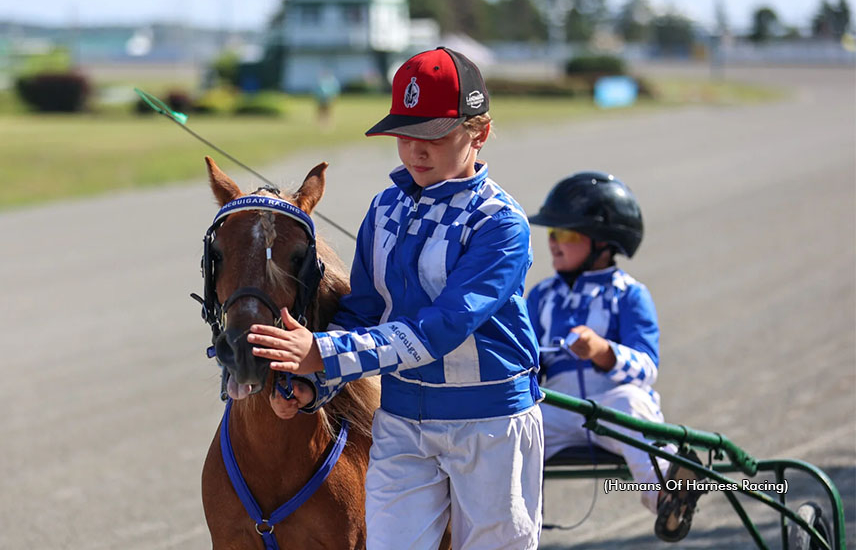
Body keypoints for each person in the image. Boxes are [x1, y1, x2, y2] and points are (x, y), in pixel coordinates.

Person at [247, 47, 545, 550]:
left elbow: (443, 328)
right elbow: (362, 311)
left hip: (491, 426)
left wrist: (322, 353)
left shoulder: (501, 224)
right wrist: (311, 382)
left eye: (434, 135)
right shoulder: (384, 208)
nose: (415, 151)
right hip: (402, 421)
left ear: (479, 132)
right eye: (404, 135)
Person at [525, 171, 705, 542]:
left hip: (613, 404)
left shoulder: (630, 295)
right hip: (557, 404)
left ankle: (668, 497)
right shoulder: (540, 296)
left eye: (568, 235)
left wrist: (603, 352)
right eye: (552, 234)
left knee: (632, 403)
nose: (555, 244)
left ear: (604, 245)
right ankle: (515, 531)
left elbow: (647, 367)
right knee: (515, 422)